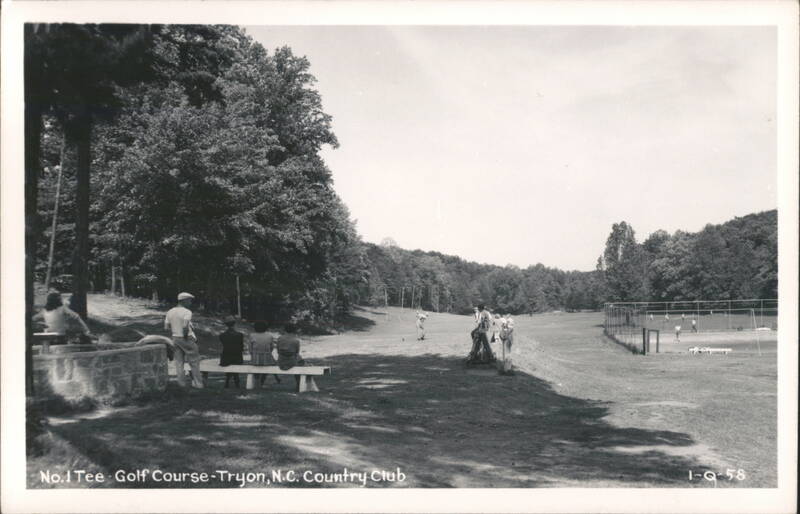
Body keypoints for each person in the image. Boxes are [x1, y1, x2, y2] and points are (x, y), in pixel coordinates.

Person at [164, 292, 203, 388]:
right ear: (184, 300)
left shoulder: (170, 312)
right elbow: (185, 326)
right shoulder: (187, 312)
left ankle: (181, 384)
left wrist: (174, 333)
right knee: (194, 361)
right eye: (189, 300)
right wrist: (185, 336)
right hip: (186, 338)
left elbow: (166, 327)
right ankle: (198, 383)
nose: (190, 302)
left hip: (175, 338)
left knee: (179, 362)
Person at [248, 321, 278, 386]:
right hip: (267, 358)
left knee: (256, 367)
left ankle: (257, 378)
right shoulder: (269, 336)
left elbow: (250, 349)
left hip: (255, 358)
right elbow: (271, 348)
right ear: (265, 328)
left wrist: (253, 354)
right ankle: (262, 380)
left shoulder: (252, 335)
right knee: (269, 364)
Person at [219, 316, 244, 388]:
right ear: (234, 324)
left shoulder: (222, 335)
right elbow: (241, 348)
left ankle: (227, 381)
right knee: (235, 359)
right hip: (237, 359)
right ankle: (236, 381)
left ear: (226, 324)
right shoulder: (240, 335)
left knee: (229, 357)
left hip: (225, 359)